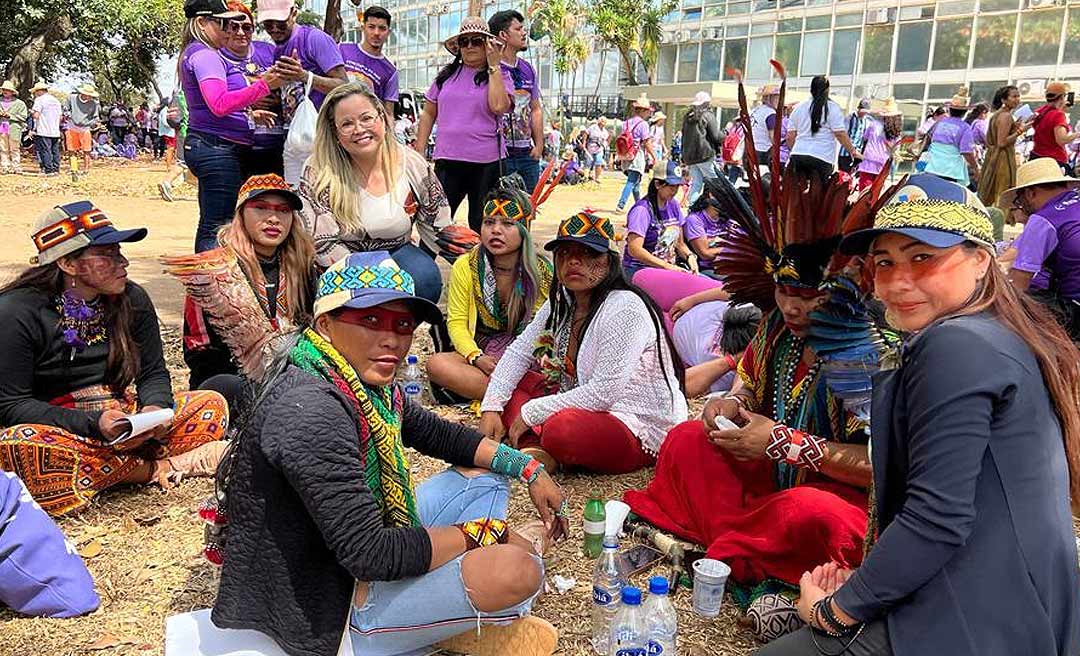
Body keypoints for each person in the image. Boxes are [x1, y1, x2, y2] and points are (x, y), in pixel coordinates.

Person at [623, 72, 899, 642]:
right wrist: (729, 407)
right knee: (686, 440)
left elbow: (883, 465)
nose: (792, 307)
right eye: (783, 291)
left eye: (808, 295)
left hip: (832, 495)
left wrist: (784, 444)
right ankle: (742, 549)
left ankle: (738, 554)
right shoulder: (775, 324)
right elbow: (747, 386)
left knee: (813, 517)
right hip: (762, 480)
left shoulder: (868, 351)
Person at [759, 175, 1080, 656]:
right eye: (884, 262)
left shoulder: (956, 344)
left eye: (923, 257)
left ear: (981, 259)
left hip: (977, 620)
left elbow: (937, 516)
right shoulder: (996, 328)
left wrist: (837, 609)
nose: (897, 281)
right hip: (1009, 600)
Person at [210, 250, 566, 656]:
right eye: (370, 320)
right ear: (325, 324)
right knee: (518, 571)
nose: (392, 339)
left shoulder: (356, 382)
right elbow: (371, 555)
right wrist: (486, 533)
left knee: (486, 473)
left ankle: (441, 613)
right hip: (329, 604)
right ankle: (416, 623)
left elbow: (440, 435)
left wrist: (529, 467)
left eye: (402, 325)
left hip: (355, 552)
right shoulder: (310, 410)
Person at [0, 201, 229, 516]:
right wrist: (94, 424)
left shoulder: (132, 299)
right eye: (107, 255)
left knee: (210, 405)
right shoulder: (16, 312)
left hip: (125, 421)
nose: (123, 262)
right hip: (60, 429)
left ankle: (111, 470)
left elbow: (153, 373)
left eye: (119, 251)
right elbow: (11, 405)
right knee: (21, 447)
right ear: (67, 263)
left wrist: (154, 411)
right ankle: (157, 468)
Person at [478, 211, 688, 474]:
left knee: (562, 430)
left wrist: (532, 411)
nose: (573, 261)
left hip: (630, 422)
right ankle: (535, 450)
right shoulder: (562, 301)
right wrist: (491, 407)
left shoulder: (626, 307)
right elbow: (519, 352)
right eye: (564, 253)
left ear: (610, 261)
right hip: (581, 404)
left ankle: (538, 441)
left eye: (588, 253)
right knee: (507, 380)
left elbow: (604, 393)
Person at [298, 83, 459, 305]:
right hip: (340, 260)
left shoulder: (412, 163)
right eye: (347, 124)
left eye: (366, 118)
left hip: (396, 250)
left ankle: (402, 323)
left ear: (382, 119)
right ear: (335, 133)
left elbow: (439, 225)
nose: (359, 129)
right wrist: (375, 277)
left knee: (425, 278)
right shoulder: (318, 169)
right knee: (359, 294)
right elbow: (320, 242)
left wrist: (479, 263)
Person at [169, 173, 315, 410]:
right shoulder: (210, 271)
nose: (273, 218)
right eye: (261, 208)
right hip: (229, 386)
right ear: (241, 214)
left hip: (293, 382)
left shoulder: (304, 269)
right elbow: (200, 350)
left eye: (283, 210)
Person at [428, 188, 552, 402]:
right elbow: (457, 323)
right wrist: (476, 357)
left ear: (524, 229)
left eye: (508, 224)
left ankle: (508, 396)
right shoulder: (466, 266)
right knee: (437, 365)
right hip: (484, 355)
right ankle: (524, 398)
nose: (496, 230)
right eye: (489, 222)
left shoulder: (541, 271)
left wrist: (542, 354)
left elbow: (547, 325)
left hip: (527, 351)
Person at [179, 0, 284, 252]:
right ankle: (211, 276)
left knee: (217, 222)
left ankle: (212, 274)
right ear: (202, 23)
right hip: (216, 147)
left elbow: (212, 106)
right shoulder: (206, 55)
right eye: (223, 24)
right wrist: (264, 86)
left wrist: (248, 114)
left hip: (212, 144)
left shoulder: (197, 53)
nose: (229, 31)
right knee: (218, 226)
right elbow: (219, 104)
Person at [414, 17, 514, 233]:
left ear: (487, 45)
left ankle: (482, 257)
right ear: (458, 47)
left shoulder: (501, 75)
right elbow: (428, 113)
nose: (469, 46)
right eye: (464, 41)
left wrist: (494, 66)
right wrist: (419, 151)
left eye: (476, 41)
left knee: (483, 223)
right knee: (436, 222)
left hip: (487, 163)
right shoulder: (445, 77)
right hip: (448, 160)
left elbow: (498, 106)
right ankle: (427, 257)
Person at [999, 158, 1080, 340]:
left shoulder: (1044, 219)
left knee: (1012, 304)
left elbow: (1019, 283)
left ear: (1030, 193)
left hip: (1076, 308)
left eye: (1019, 200)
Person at [256, 0, 347, 111]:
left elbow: (343, 86)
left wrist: (304, 77)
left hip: (320, 119)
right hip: (295, 120)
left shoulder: (314, 39)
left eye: (281, 23)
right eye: (268, 24)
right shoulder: (278, 49)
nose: (275, 29)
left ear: (294, 14)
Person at [490, 10, 543, 194]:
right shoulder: (490, 68)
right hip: (498, 156)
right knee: (499, 207)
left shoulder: (528, 69)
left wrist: (539, 145)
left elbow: (535, 108)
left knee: (528, 207)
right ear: (503, 35)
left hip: (527, 156)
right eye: (518, 29)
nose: (524, 33)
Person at [623, 160, 695, 279]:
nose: (675, 191)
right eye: (671, 186)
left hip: (666, 269)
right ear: (657, 184)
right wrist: (666, 266)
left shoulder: (674, 205)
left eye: (677, 186)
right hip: (640, 269)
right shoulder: (642, 210)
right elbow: (634, 249)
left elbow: (679, 243)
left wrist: (690, 256)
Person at [785, 76, 862, 180]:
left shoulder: (799, 108)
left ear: (811, 90)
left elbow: (790, 137)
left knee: (796, 188)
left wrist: (797, 150)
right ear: (827, 90)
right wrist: (853, 152)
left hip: (798, 155)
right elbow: (840, 134)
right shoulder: (833, 108)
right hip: (822, 157)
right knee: (819, 189)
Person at [339, 6, 399, 116]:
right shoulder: (342, 50)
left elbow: (388, 113)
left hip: (364, 123)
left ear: (388, 32)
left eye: (382, 28)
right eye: (371, 27)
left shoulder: (390, 72)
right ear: (363, 28)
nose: (376, 33)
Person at [978, 85, 1027, 208]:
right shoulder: (1006, 116)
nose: (1017, 99)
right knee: (1002, 192)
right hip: (1002, 159)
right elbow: (1002, 142)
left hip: (993, 157)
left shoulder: (997, 115)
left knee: (990, 190)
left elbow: (993, 139)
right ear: (1004, 99)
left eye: (1018, 96)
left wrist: (1014, 127)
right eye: (1014, 96)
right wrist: (1021, 130)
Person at [921, 88, 979, 186]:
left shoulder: (939, 123)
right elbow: (967, 152)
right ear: (965, 112)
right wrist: (976, 168)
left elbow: (928, 140)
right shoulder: (965, 127)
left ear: (949, 110)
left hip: (931, 167)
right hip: (951, 171)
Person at [681, 91, 724, 202]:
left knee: (696, 183)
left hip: (690, 157)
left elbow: (684, 136)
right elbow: (716, 136)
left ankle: (692, 206)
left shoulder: (688, 117)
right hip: (705, 155)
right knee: (718, 182)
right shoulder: (707, 115)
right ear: (707, 103)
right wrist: (726, 134)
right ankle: (719, 205)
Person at [616, 94, 656, 211]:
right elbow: (647, 142)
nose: (648, 113)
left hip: (625, 154)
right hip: (637, 155)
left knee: (636, 183)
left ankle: (639, 204)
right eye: (647, 111)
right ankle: (621, 205)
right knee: (632, 181)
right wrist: (654, 157)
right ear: (642, 111)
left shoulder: (626, 123)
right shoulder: (643, 124)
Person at [1031, 81, 1080, 175]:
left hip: (1037, 157)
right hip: (1053, 161)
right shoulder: (1058, 115)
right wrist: (1077, 134)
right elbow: (1061, 140)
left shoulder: (1041, 111)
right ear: (1062, 97)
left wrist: (1061, 109)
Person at [681, 180, 729, 274]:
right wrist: (730, 249)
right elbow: (705, 254)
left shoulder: (725, 218)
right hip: (707, 268)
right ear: (711, 195)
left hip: (725, 264)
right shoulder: (694, 220)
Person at [855, 98, 900, 190]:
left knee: (864, 191)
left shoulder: (874, 125)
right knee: (876, 191)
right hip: (883, 163)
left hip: (868, 161)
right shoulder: (896, 131)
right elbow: (895, 148)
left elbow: (865, 138)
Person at [63, 84, 99, 175]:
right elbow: (66, 110)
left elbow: (96, 117)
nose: (89, 97)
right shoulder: (71, 98)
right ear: (83, 93)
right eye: (88, 95)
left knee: (86, 150)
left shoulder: (94, 103)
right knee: (71, 150)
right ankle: (74, 169)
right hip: (72, 126)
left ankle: (86, 170)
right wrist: (69, 116)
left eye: (91, 96)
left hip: (85, 128)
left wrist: (91, 123)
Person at [29, 81, 61, 176]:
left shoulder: (39, 100)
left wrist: (32, 113)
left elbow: (36, 115)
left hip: (44, 129)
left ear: (39, 91)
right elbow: (60, 117)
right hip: (55, 130)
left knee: (45, 150)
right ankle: (56, 168)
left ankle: (48, 169)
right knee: (55, 150)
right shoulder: (56, 100)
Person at [0, 80, 28, 174]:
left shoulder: (20, 103)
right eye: (4, 89)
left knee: (14, 148)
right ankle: (5, 166)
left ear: (12, 92)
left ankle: (16, 166)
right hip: (2, 126)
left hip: (14, 127)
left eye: (7, 90)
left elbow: (24, 117)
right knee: (3, 147)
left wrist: (10, 116)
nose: (5, 91)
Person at [837, 98, 869, 173]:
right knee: (844, 175)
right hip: (846, 153)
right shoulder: (850, 118)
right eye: (862, 110)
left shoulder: (866, 121)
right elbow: (843, 134)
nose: (863, 113)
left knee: (853, 175)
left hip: (858, 154)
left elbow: (865, 138)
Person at [585, 117, 610, 184]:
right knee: (588, 163)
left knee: (599, 162)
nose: (603, 123)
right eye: (602, 121)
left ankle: (597, 178)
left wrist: (606, 145)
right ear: (599, 121)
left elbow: (607, 139)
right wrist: (584, 143)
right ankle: (586, 177)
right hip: (591, 147)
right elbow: (586, 133)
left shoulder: (605, 131)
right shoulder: (593, 127)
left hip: (599, 148)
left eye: (604, 121)